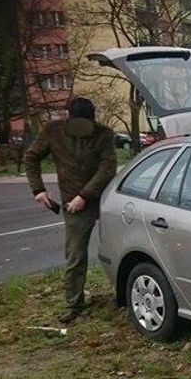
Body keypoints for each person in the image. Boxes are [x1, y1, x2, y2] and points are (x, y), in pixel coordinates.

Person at [24, 97, 116, 323]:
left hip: (105, 199)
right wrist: (38, 190)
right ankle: (74, 304)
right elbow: (31, 157)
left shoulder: (104, 135)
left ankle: (123, 294)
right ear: (69, 118)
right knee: (75, 255)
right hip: (73, 205)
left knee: (120, 248)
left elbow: (107, 168)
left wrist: (84, 196)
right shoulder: (53, 132)